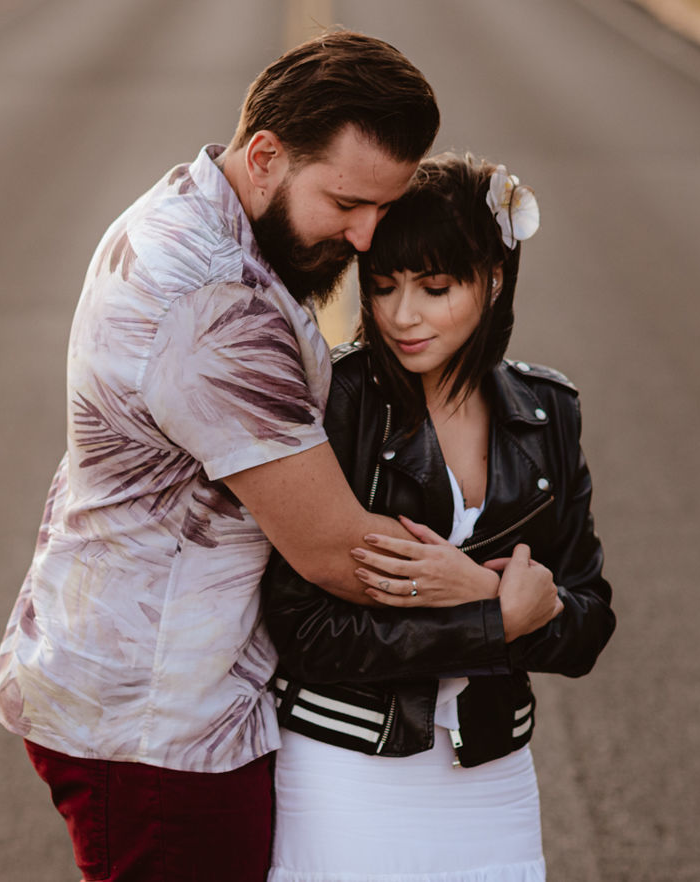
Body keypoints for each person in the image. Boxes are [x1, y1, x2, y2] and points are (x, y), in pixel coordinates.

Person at [0, 30, 441, 881]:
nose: (369, 236)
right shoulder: (212, 301)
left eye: (384, 206)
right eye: (346, 203)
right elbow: (339, 551)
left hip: (150, 687)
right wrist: (511, 604)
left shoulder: (191, 203)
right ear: (265, 153)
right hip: (158, 724)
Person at [262, 153, 615, 882]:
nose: (401, 315)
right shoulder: (338, 404)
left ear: (492, 279)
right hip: (346, 766)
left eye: (435, 287)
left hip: (493, 771)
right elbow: (304, 631)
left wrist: (488, 596)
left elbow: (586, 621)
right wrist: (494, 618)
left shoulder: (549, 412)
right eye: (383, 286)